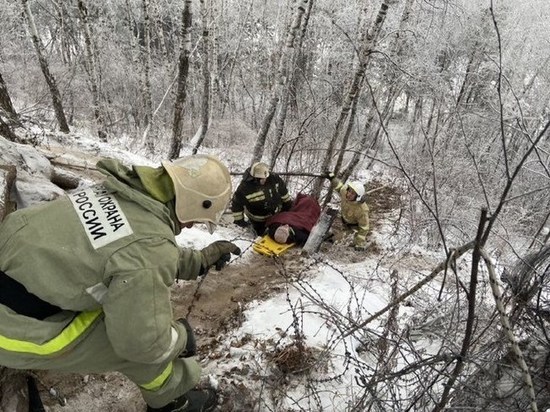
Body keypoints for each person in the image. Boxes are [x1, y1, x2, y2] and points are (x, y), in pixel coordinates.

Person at [0, 154, 241, 412]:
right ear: (193, 203)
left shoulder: (118, 192)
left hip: (18, 284)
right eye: (198, 218)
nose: (192, 225)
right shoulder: (148, 248)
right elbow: (142, 344)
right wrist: (181, 338)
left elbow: (129, 247)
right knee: (143, 347)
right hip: (13, 327)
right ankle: (171, 402)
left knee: (130, 314)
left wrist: (200, 260)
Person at [231, 162, 293, 236]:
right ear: (255, 179)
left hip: (275, 215)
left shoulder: (274, 178)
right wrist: (240, 222)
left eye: (266, 178)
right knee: (262, 235)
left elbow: (283, 192)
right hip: (257, 219)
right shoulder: (245, 188)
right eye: (262, 179)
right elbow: (236, 204)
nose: (265, 180)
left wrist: (287, 204)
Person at [325, 172, 370, 250]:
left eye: (352, 193)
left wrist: (359, 243)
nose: (349, 194)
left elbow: (364, 227)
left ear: (357, 197)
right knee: (327, 234)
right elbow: (339, 186)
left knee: (335, 240)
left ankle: (352, 237)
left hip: (354, 227)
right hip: (344, 220)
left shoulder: (362, 210)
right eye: (349, 191)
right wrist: (332, 178)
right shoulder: (345, 192)